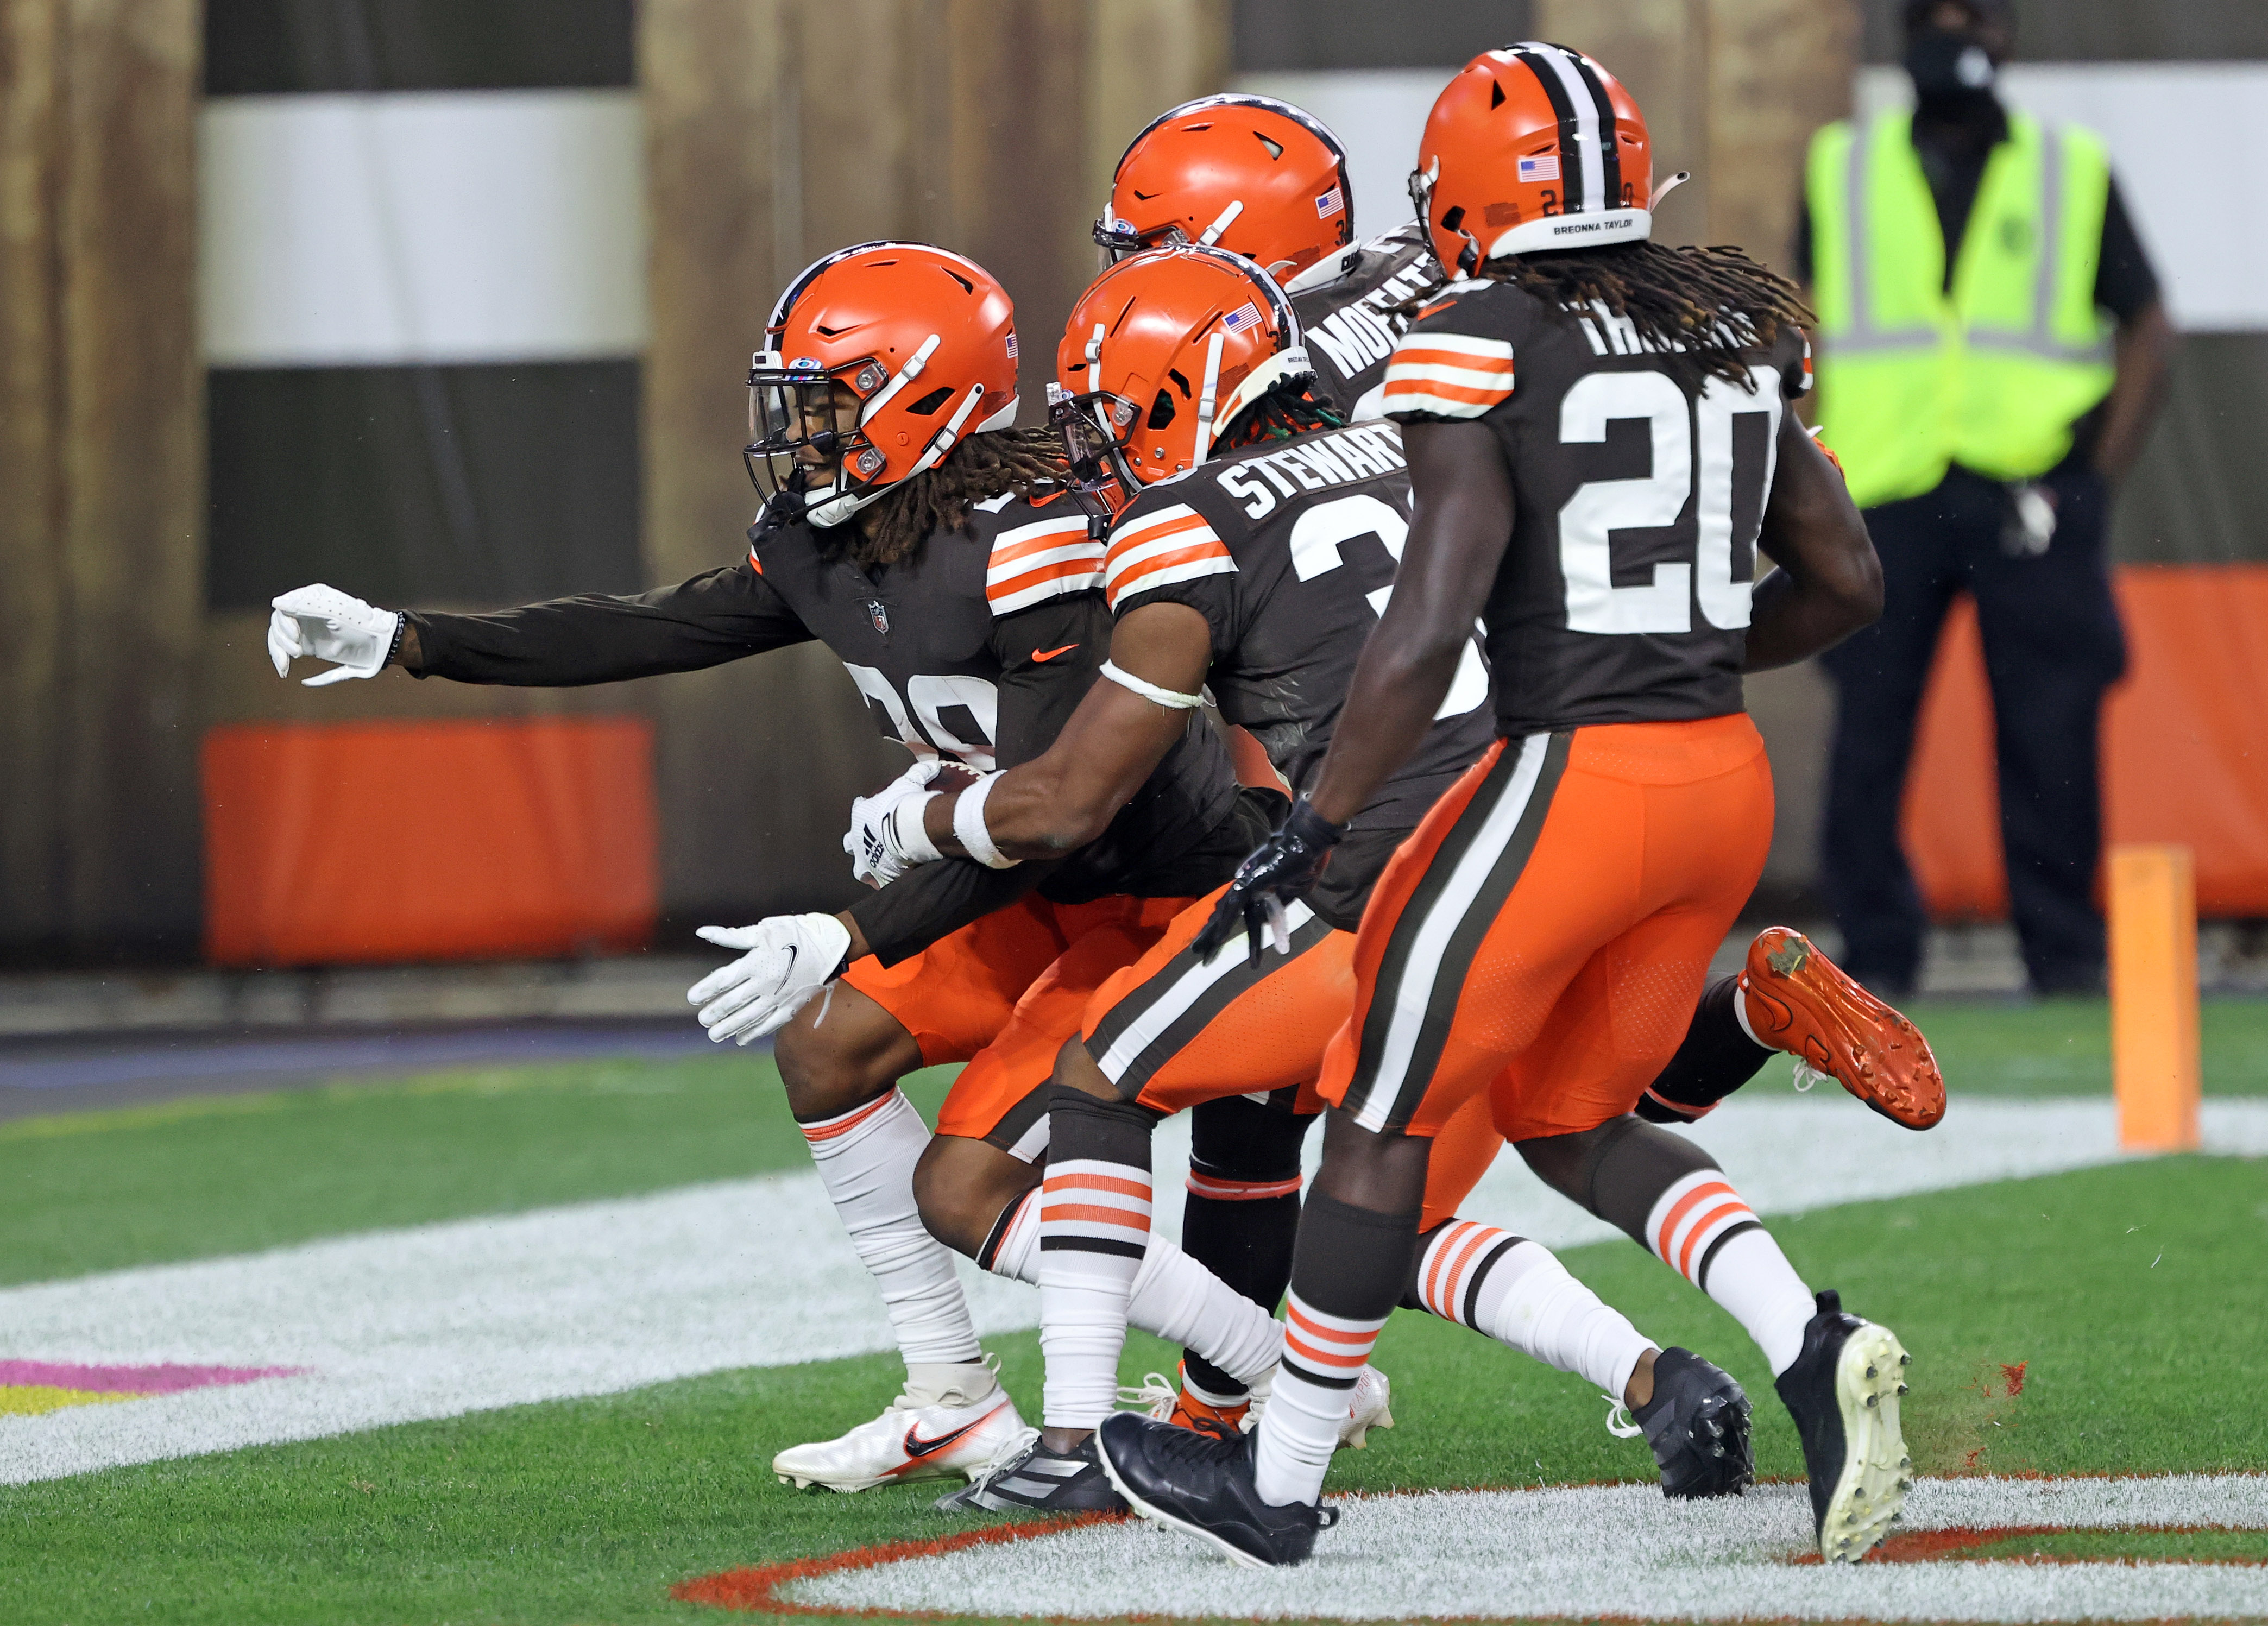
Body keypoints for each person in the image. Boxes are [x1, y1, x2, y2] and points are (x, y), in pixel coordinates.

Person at [263, 241, 1314, 1498]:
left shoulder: (1038, 541)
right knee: (826, 1043)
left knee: (965, 1178)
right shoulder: (828, 538)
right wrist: (412, 639)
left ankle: (1287, 1366)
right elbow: (657, 624)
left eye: (823, 406)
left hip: (1158, 899)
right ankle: (951, 1397)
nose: (798, 437)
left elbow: (1057, 820)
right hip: (1027, 888)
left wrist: (853, 929)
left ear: (922, 398)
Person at [1094, 43, 1911, 1568]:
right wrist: (1682, 649)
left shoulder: (1471, 333)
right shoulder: (1723, 322)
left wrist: (1322, 820)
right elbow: (1851, 581)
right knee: (1570, 1111)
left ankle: (1271, 1484)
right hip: (1721, 777)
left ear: (1473, 197)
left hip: (1568, 782)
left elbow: (1421, 626)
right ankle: (1812, 1343)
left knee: (1373, 1118)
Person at [1802, 0, 2172, 996]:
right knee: (1868, 735)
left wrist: (2090, 476)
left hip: (2030, 489)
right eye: (1932, 17)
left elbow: (2148, 326)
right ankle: (1876, 957)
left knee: (2049, 729)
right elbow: (1799, 329)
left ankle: (2064, 954)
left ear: (2008, 38)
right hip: (1884, 491)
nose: (1952, 35)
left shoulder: (2069, 170)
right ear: (1901, 34)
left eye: (1974, 18)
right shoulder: (1842, 166)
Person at [1094, 93, 1441, 419]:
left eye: (1146, 251)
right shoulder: (1433, 253)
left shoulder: (1255, 374)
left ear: (1225, 244)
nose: (1129, 272)